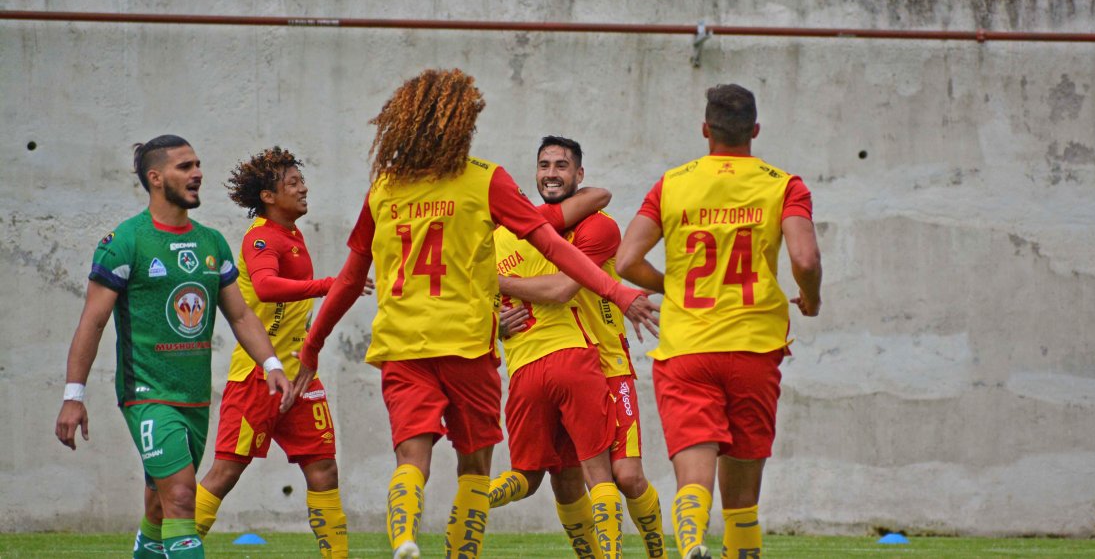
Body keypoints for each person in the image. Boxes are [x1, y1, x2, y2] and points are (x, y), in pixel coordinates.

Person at [291, 69, 658, 559]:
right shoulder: (484, 179)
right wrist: (617, 291)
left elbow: (351, 278)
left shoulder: (383, 189)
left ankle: (402, 537)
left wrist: (311, 346)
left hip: (403, 345)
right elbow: (555, 246)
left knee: (411, 458)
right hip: (470, 344)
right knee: (480, 467)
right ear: (461, 124)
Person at [55, 135, 293, 559]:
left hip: (196, 398)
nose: (197, 173)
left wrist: (271, 363)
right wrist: (74, 395)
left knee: (159, 505)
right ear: (155, 177)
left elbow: (239, 315)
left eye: (198, 164)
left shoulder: (212, 243)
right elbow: (92, 321)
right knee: (183, 498)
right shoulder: (125, 241)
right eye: (185, 166)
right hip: (146, 395)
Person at [615, 84, 822, 559]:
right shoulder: (783, 184)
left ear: (706, 130)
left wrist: (678, 286)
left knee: (694, 471)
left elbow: (626, 261)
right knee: (743, 499)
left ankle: (690, 542)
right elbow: (805, 259)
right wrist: (810, 299)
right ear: (754, 130)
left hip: (688, 348)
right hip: (754, 347)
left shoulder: (672, 183)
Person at [489, 136, 664, 559]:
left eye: (562, 166)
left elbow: (565, 286)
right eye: (544, 165)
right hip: (563, 359)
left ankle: (659, 551)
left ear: (578, 174)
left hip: (606, 363)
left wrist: (495, 287)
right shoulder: (525, 228)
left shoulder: (597, 225)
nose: (551, 173)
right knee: (565, 480)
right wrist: (497, 324)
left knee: (626, 476)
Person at [194, 147, 370, 558]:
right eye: (292, 183)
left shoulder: (292, 233)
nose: (303, 187)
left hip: (300, 378)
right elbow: (268, 286)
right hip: (256, 378)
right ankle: (174, 549)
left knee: (324, 469)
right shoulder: (260, 237)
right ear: (269, 197)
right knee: (224, 474)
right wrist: (331, 283)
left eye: (301, 180)